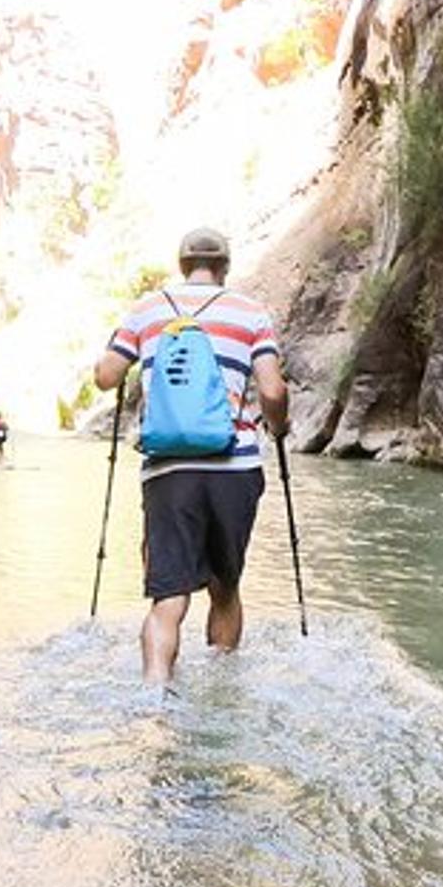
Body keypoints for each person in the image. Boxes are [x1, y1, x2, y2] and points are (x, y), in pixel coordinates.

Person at [92, 226, 287, 680]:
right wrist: (278, 426)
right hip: (235, 466)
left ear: (182, 265)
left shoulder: (146, 309)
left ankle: (155, 694)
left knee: (168, 598)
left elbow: (106, 377)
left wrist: (118, 352)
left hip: (168, 468)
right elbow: (273, 391)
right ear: (225, 266)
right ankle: (221, 687)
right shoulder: (250, 312)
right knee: (225, 588)